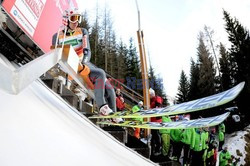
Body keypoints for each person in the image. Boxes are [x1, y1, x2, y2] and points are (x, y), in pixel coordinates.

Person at [52, 8, 122, 123]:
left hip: (83, 63)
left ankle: (113, 115)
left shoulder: (82, 31)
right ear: (66, 20)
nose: (76, 22)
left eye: (78, 18)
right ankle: (102, 107)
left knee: (109, 87)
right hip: (69, 65)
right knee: (101, 73)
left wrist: (83, 62)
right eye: (73, 18)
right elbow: (55, 54)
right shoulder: (58, 36)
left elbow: (87, 50)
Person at [149, 88, 163, 158]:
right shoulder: (151, 100)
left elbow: (158, 107)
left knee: (156, 134)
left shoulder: (157, 98)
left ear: (152, 94)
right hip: (152, 121)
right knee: (153, 136)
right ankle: (153, 150)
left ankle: (158, 149)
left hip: (156, 121)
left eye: (149, 95)